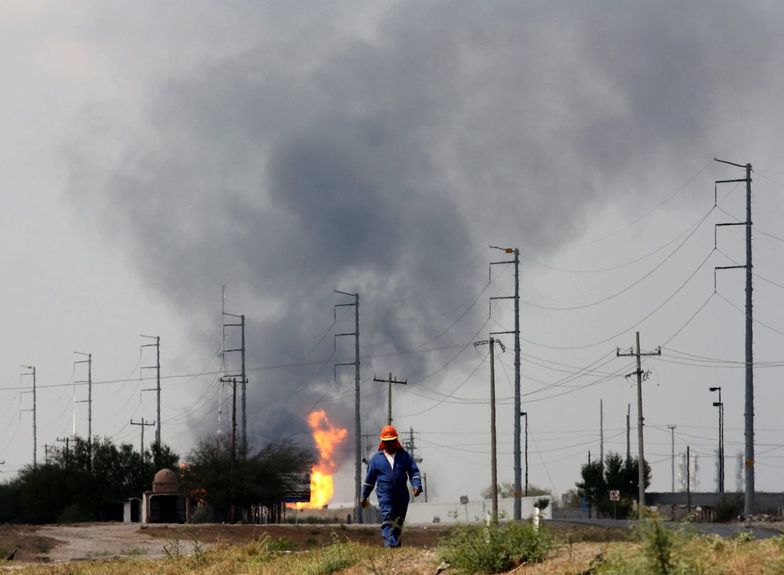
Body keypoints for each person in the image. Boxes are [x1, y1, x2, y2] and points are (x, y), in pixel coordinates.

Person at [360, 425, 423, 547]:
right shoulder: (376, 459)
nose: (389, 444)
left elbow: (414, 472)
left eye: (391, 441)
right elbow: (369, 480)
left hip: (402, 495)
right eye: (386, 441)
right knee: (388, 519)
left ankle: (395, 549)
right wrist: (364, 495)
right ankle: (390, 546)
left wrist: (417, 485)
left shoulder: (404, 456)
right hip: (385, 495)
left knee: (398, 523)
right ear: (382, 442)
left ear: (396, 440)